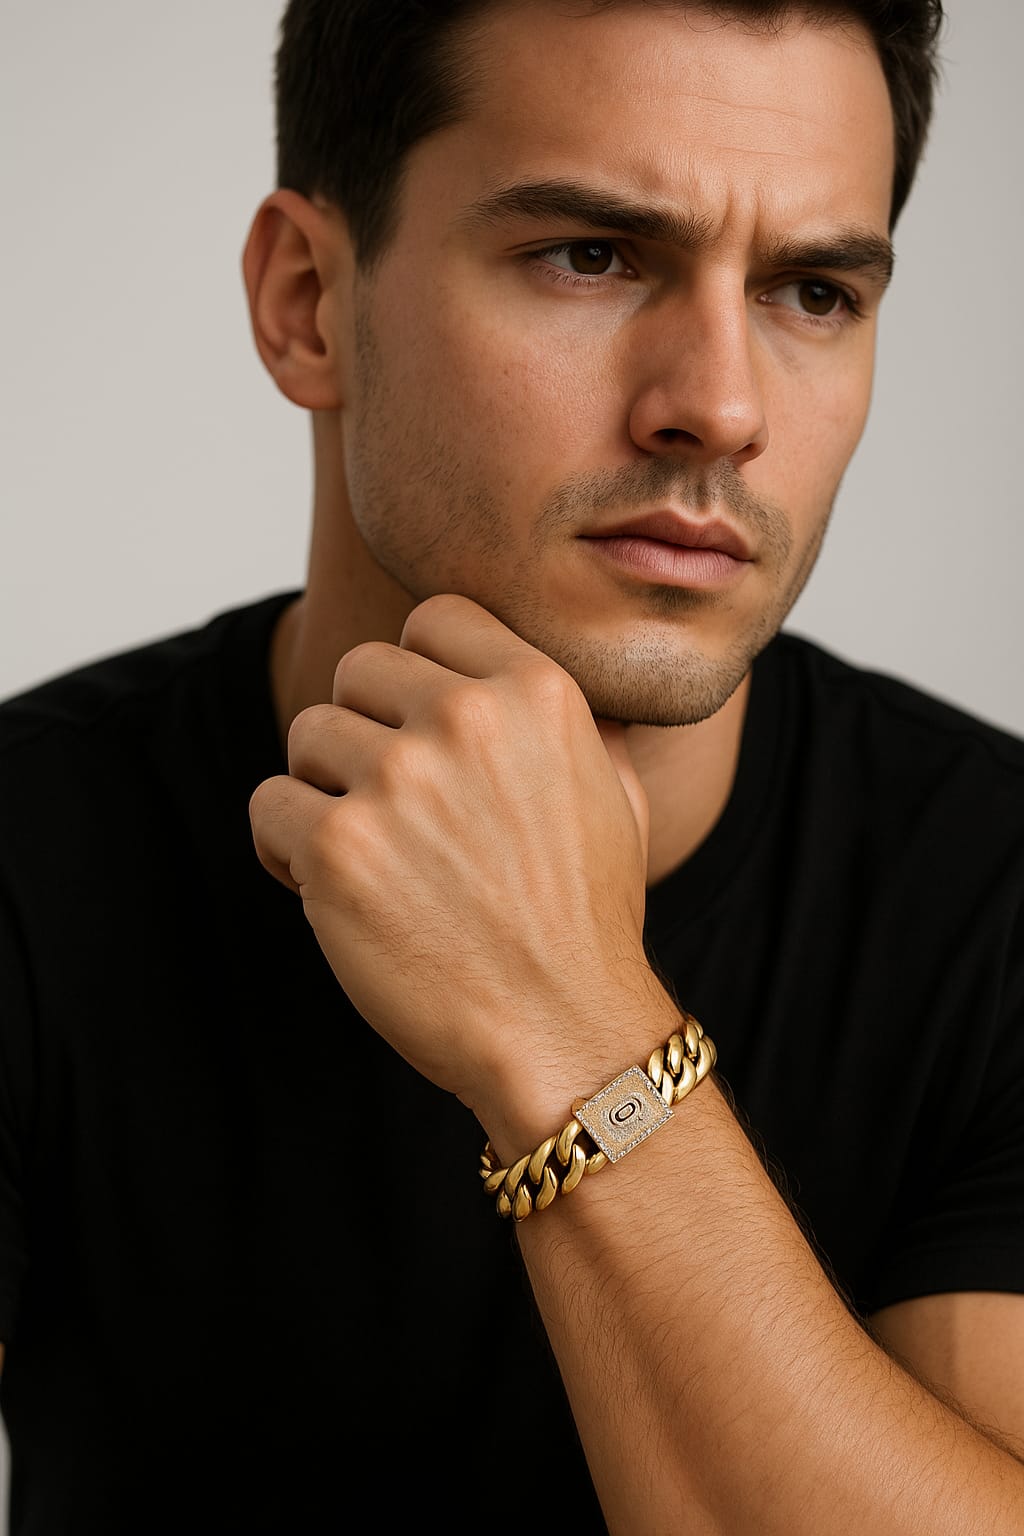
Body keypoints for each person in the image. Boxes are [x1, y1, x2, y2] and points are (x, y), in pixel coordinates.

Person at [0, 0, 1022, 1531]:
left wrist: (570, 1021)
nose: (723, 408)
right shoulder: (27, 848)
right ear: (308, 304)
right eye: (592, 256)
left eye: (813, 290)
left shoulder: (998, 892)